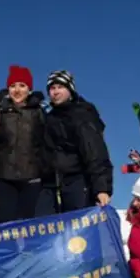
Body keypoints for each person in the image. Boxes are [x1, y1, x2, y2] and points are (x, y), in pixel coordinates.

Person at [0, 65, 48, 223]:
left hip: (32, 178)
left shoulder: (39, 113)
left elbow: (47, 146)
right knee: (6, 226)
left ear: (29, 90)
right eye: (12, 86)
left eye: (22, 85)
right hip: (4, 179)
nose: (17, 90)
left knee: (31, 226)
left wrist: (47, 174)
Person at [42, 70, 113, 213]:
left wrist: (101, 188)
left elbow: (94, 152)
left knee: (78, 231)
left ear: (70, 90)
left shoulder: (81, 115)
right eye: (52, 88)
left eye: (60, 87)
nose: (55, 92)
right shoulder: (49, 118)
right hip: (53, 184)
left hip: (79, 182)